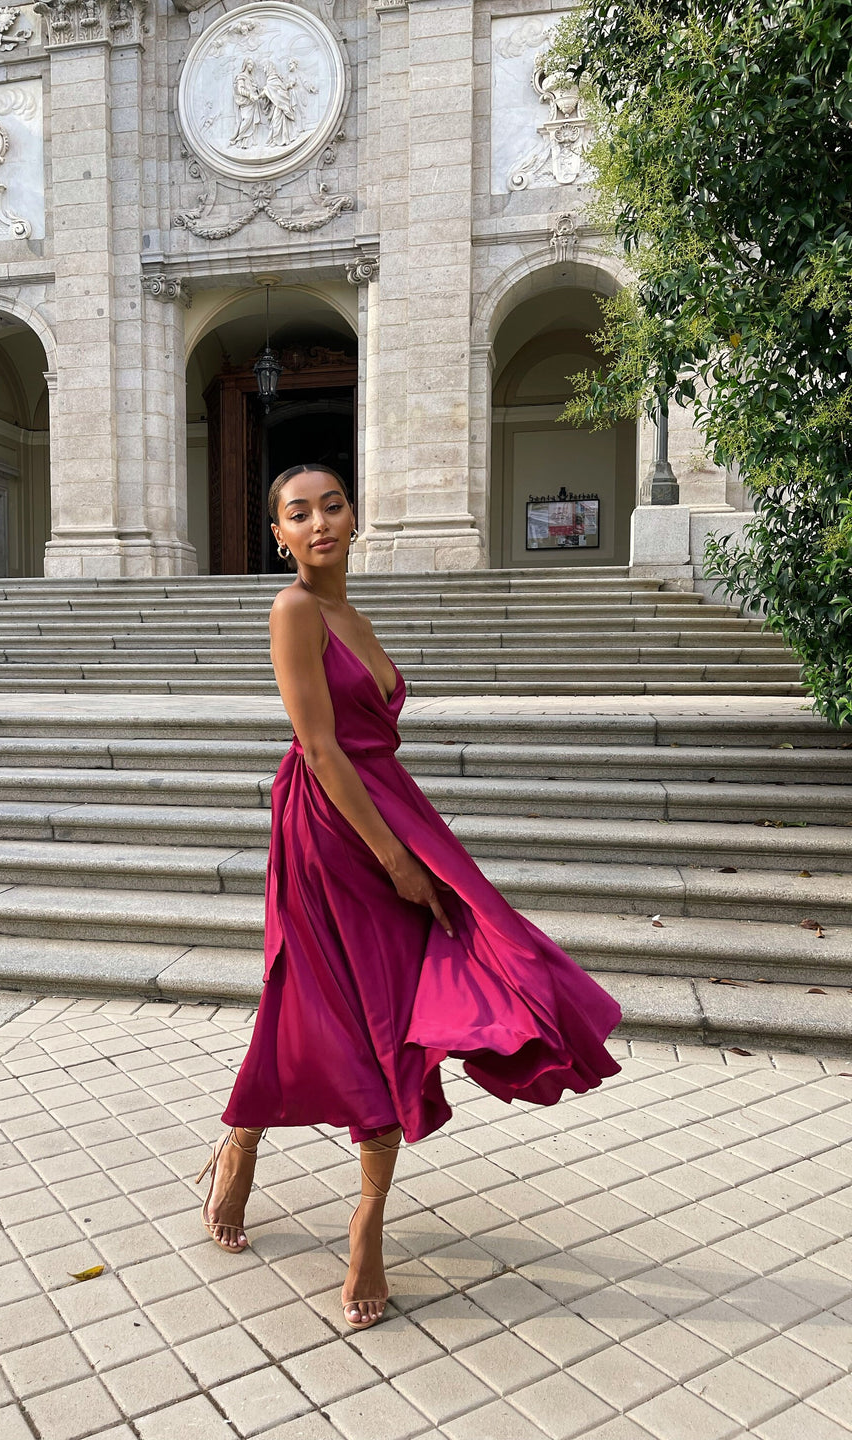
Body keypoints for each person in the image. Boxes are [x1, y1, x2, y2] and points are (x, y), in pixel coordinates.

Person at [195, 462, 623, 1331]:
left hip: (392, 812)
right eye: (298, 513)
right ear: (277, 534)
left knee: (408, 1007)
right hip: (331, 829)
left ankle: (366, 1211)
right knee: (330, 1007)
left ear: (354, 518)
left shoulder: (354, 613)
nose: (319, 523)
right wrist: (394, 859)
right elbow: (320, 748)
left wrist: (407, 845)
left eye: (332, 506)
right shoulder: (294, 610)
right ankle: (251, 1145)